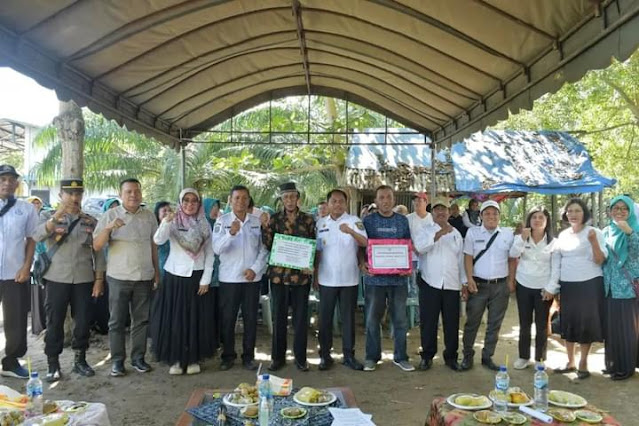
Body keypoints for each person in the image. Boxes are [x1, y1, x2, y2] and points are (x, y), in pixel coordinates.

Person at [33, 179, 106, 382]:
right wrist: (57, 216)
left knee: (83, 321)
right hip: (56, 278)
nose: (74, 198)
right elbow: (37, 235)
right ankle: (53, 364)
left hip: (83, 279)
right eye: (69, 193)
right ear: (60, 195)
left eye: (78, 193)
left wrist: (99, 279)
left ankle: (80, 360)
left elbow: (98, 252)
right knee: (54, 321)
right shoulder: (48, 216)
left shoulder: (90, 221)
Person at [93, 178, 160, 377]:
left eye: (136, 191)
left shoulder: (149, 216)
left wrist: (157, 271)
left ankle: (138, 358)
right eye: (129, 191)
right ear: (121, 194)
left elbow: (153, 246)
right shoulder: (110, 215)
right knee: (116, 321)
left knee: (141, 320)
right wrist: (108, 228)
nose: (133, 195)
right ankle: (117, 362)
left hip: (144, 277)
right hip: (119, 277)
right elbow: (96, 245)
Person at [151, 189, 216, 375]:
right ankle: (177, 360)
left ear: (199, 203)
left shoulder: (204, 224)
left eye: (194, 201)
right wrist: (166, 221)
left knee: (196, 318)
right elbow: (158, 239)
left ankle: (194, 358)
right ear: (180, 202)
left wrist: (206, 279)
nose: (190, 204)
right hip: (175, 276)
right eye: (186, 200)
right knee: (176, 319)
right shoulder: (172, 220)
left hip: (198, 278)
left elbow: (210, 254)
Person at [544, 198, 607, 380]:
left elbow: (599, 260)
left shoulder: (594, 232)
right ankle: (570, 361)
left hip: (590, 283)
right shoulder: (563, 235)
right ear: (565, 214)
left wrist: (594, 241)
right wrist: (553, 286)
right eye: (570, 211)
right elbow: (557, 262)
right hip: (568, 284)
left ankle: (583, 363)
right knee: (568, 322)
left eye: (577, 211)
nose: (573, 214)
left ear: (584, 213)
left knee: (586, 323)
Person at [213, 186, 268, 371]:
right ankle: (228, 355)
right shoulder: (222, 221)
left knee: (251, 319)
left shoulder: (256, 222)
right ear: (230, 200)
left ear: (249, 200)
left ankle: (248, 356)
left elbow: (264, 249)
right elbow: (216, 249)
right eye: (237, 198)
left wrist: (255, 268)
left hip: (252, 279)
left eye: (244, 198)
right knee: (228, 319)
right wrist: (231, 233)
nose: (240, 201)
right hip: (229, 279)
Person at [262, 182, 316, 372]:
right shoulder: (274, 219)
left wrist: (310, 263)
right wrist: (265, 227)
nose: (289, 200)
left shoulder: (309, 220)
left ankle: (301, 358)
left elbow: (313, 245)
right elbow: (269, 245)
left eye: (293, 196)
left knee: (300, 319)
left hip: (301, 278)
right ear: (281, 199)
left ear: (298, 198)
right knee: (279, 318)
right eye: (286, 197)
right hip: (279, 277)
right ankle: (278, 358)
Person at [360, 185, 414, 372]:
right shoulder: (368, 221)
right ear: (376, 200)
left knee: (400, 319)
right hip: (375, 280)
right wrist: (362, 263)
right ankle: (372, 357)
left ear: (393, 199)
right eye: (381, 197)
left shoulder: (402, 221)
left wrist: (407, 267)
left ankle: (401, 357)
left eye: (388, 197)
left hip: (398, 280)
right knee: (372, 319)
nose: (385, 201)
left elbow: (408, 246)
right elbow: (360, 247)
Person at [315, 189, 368, 371]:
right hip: (326, 279)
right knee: (325, 319)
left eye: (341, 201)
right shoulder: (321, 223)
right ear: (328, 203)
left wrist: (351, 232)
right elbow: (317, 251)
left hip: (349, 279)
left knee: (348, 319)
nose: (338, 205)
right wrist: (315, 275)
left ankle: (349, 355)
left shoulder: (354, 221)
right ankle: (325, 355)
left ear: (346, 204)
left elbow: (365, 243)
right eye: (334, 201)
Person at [461, 200, 516, 371]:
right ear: (481, 216)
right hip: (478, 285)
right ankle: (467, 356)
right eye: (487, 213)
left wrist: (510, 281)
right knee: (472, 322)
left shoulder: (508, 234)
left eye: (495, 213)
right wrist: (469, 279)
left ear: (500, 216)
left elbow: (512, 259)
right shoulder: (472, 232)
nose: (491, 216)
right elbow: (468, 257)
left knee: (494, 324)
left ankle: (487, 356)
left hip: (500, 286)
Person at [414, 197, 465, 371]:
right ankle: (427, 356)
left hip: (451, 284)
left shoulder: (457, 234)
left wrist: (463, 283)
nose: (441, 212)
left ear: (450, 212)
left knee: (451, 323)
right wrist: (437, 235)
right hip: (430, 282)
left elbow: (460, 261)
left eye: (444, 209)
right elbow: (419, 249)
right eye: (437, 209)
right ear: (432, 212)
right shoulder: (425, 230)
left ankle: (451, 357)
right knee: (428, 322)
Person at [0, 165, 37, 379]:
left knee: (16, 319)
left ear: (17, 183)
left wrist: (26, 267)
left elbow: (32, 239)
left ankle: (11, 362)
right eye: (2, 179)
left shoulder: (26, 208)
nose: (6, 183)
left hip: (15, 273)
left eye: (10, 179)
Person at [509, 206, 554, 370]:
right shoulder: (521, 238)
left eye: (541, 217)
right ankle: (523, 356)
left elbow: (555, 267)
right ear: (529, 220)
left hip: (544, 288)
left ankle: (540, 359)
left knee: (541, 325)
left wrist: (551, 288)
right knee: (524, 323)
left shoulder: (552, 242)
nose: (537, 220)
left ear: (546, 221)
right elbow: (513, 254)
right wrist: (522, 238)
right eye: (534, 217)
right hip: (524, 285)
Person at [602, 195, 639, 380]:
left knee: (626, 330)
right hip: (608, 287)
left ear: (630, 211)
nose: (619, 212)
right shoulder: (606, 230)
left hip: (627, 288)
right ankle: (612, 364)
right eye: (616, 208)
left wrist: (630, 233)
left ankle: (625, 368)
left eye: (624, 208)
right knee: (611, 329)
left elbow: (636, 253)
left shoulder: (635, 228)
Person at [27, 196, 47, 336]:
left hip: (47, 260)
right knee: (37, 292)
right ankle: (38, 325)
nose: (35, 205)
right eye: (32, 203)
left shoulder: (45, 217)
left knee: (46, 292)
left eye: (37, 202)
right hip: (34, 262)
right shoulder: (26, 219)